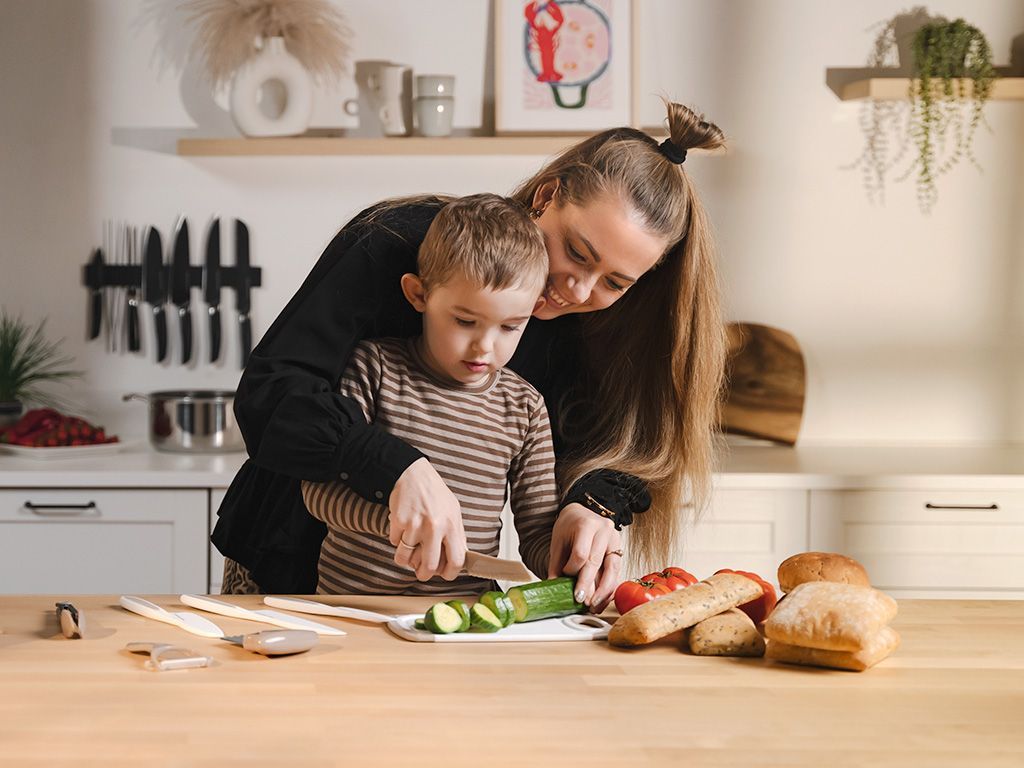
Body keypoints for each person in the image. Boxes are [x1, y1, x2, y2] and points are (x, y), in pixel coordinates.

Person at [212, 100, 727, 612]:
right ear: (547, 197)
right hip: (283, 568)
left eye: (614, 281)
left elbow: (601, 446)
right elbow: (273, 394)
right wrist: (395, 469)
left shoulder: (605, 326)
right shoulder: (395, 242)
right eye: (576, 251)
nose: (577, 290)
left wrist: (590, 507)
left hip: (447, 603)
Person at [299, 194, 558, 595]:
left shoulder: (525, 408)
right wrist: (403, 523)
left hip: (467, 618)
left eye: (509, 327)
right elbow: (319, 494)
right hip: (353, 612)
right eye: (464, 321)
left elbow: (539, 532)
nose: (484, 347)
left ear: (534, 310)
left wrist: (574, 560)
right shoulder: (374, 368)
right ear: (418, 294)